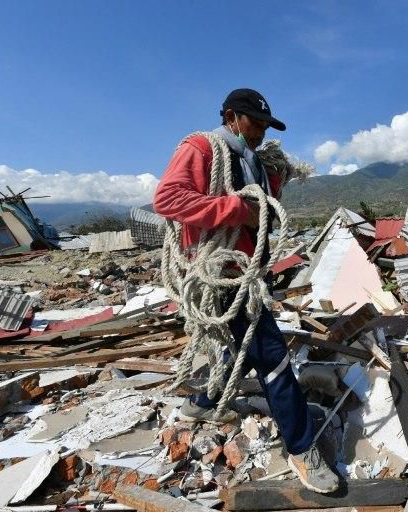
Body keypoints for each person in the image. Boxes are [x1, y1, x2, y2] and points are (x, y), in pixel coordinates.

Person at [152, 88, 340, 494]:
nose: (259, 133)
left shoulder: (252, 160)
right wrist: (240, 209)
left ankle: (202, 402)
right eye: (254, 124)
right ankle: (302, 446)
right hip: (222, 273)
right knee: (271, 355)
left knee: (237, 347)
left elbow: (263, 205)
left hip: (251, 271)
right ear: (232, 117)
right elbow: (167, 198)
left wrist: (274, 183)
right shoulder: (202, 147)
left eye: (265, 126)